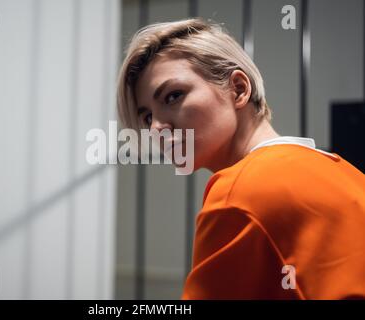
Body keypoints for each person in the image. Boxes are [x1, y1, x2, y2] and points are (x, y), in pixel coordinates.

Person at [116, 18, 365, 299]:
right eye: (147, 116)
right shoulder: (344, 171)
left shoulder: (236, 194)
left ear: (238, 89)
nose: (156, 128)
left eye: (173, 96)